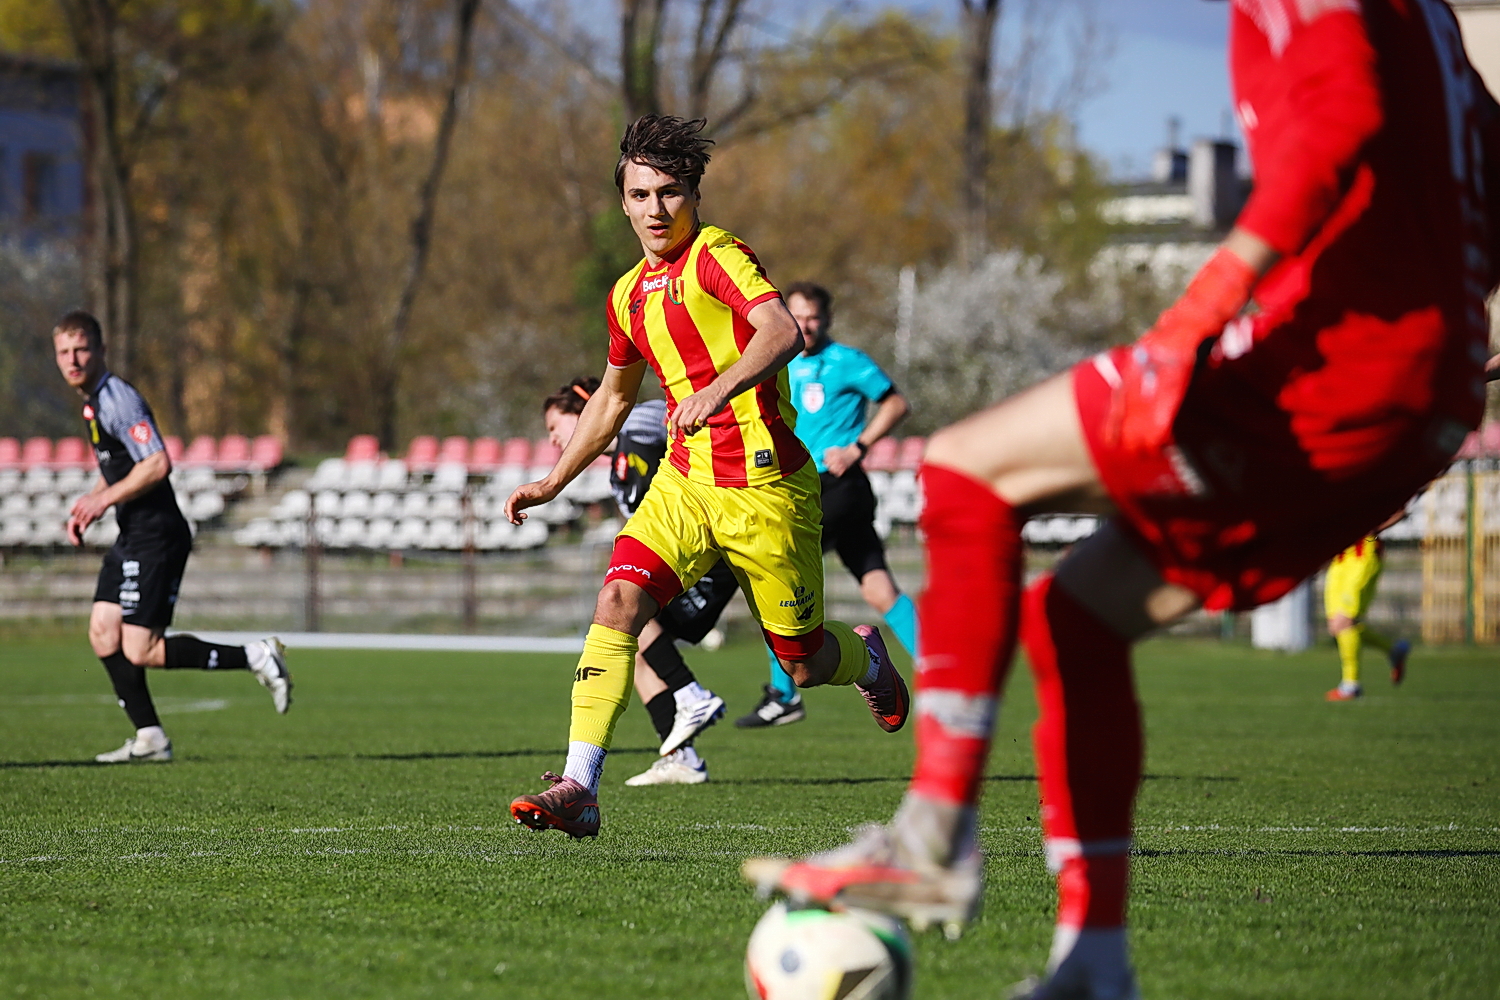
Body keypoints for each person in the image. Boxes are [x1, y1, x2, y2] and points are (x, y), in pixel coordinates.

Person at [745, 3, 1498, 996]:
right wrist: (1439, 371)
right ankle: (1094, 964)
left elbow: (1340, 123)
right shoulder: (1429, 20)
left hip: (1339, 364)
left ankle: (931, 838)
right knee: (1077, 619)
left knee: (965, 468)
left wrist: (1196, 316)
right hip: (1418, 384)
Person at [504, 115, 909, 839]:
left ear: (693, 194)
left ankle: (868, 657)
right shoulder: (626, 295)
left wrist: (718, 391)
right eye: (640, 195)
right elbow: (612, 400)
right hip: (686, 483)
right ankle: (580, 784)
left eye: (669, 192)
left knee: (804, 663)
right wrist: (552, 482)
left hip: (767, 491)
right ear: (623, 203)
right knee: (618, 600)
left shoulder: (718, 255)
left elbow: (781, 330)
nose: (656, 209)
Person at [52, 310, 292, 763]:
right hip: (132, 534)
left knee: (141, 648)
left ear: (101, 350)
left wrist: (103, 502)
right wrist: (92, 502)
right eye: (64, 352)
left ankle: (256, 656)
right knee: (103, 632)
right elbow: (120, 467)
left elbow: (157, 463)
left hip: (157, 536)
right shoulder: (92, 403)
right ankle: (150, 739)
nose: (73, 360)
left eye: (81, 349)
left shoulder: (118, 400)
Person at [737, 282, 918, 729]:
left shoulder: (845, 361)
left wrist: (859, 446)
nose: (806, 325)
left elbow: (896, 402)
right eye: (798, 316)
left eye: (814, 317)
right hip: (802, 486)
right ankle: (942, 673)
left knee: (779, 581)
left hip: (832, 486)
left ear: (827, 319)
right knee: (879, 588)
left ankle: (783, 695)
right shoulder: (775, 359)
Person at [541, 376, 732, 785]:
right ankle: (682, 756)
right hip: (685, 559)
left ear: (585, 408)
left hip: (711, 557)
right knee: (632, 641)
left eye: (555, 426)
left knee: (629, 612)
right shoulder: (619, 465)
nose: (553, 440)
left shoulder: (641, 421)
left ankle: (691, 694)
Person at [1323, 532, 1409, 701]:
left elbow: (1395, 516)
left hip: (1362, 554)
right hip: (1340, 558)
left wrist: (1372, 530)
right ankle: (1394, 650)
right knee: (1336, 625)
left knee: (1344, 620)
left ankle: (1350, 685)